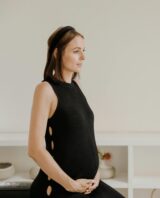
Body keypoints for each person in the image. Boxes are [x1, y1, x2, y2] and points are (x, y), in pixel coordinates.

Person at [28, 26, 125, 197]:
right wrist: (70, 184)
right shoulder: (45, 90)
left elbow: (86, 135)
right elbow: (35, 149)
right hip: (61, 189)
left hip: (89, 185)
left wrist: (96, 173)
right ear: (57, 53)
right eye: (76, 51)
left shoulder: (76, 86)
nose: (83, 57)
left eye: (83, 51)